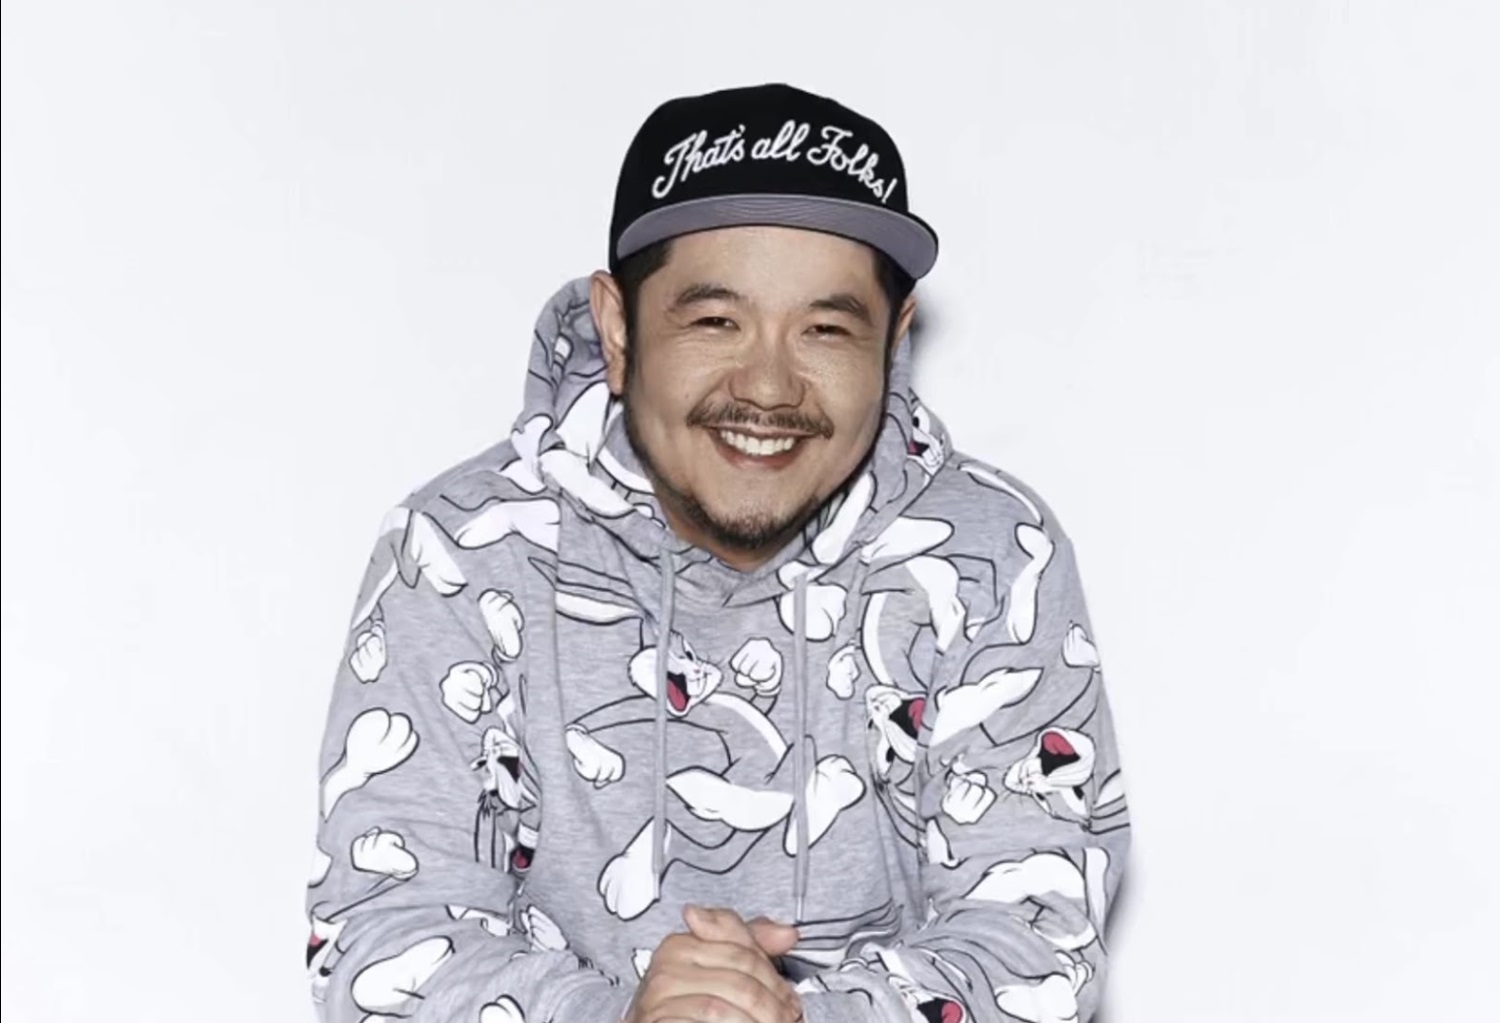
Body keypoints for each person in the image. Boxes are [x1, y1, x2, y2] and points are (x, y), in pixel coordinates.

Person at [305, 82, 1130, 1023]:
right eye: (715, 321)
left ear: (893, 341)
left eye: (826, 328)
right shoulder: (459, 551)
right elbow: (382, 936)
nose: (769, 386)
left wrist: (794, 1019)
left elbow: (1037, 940)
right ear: (618, 329)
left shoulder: (993, 556)